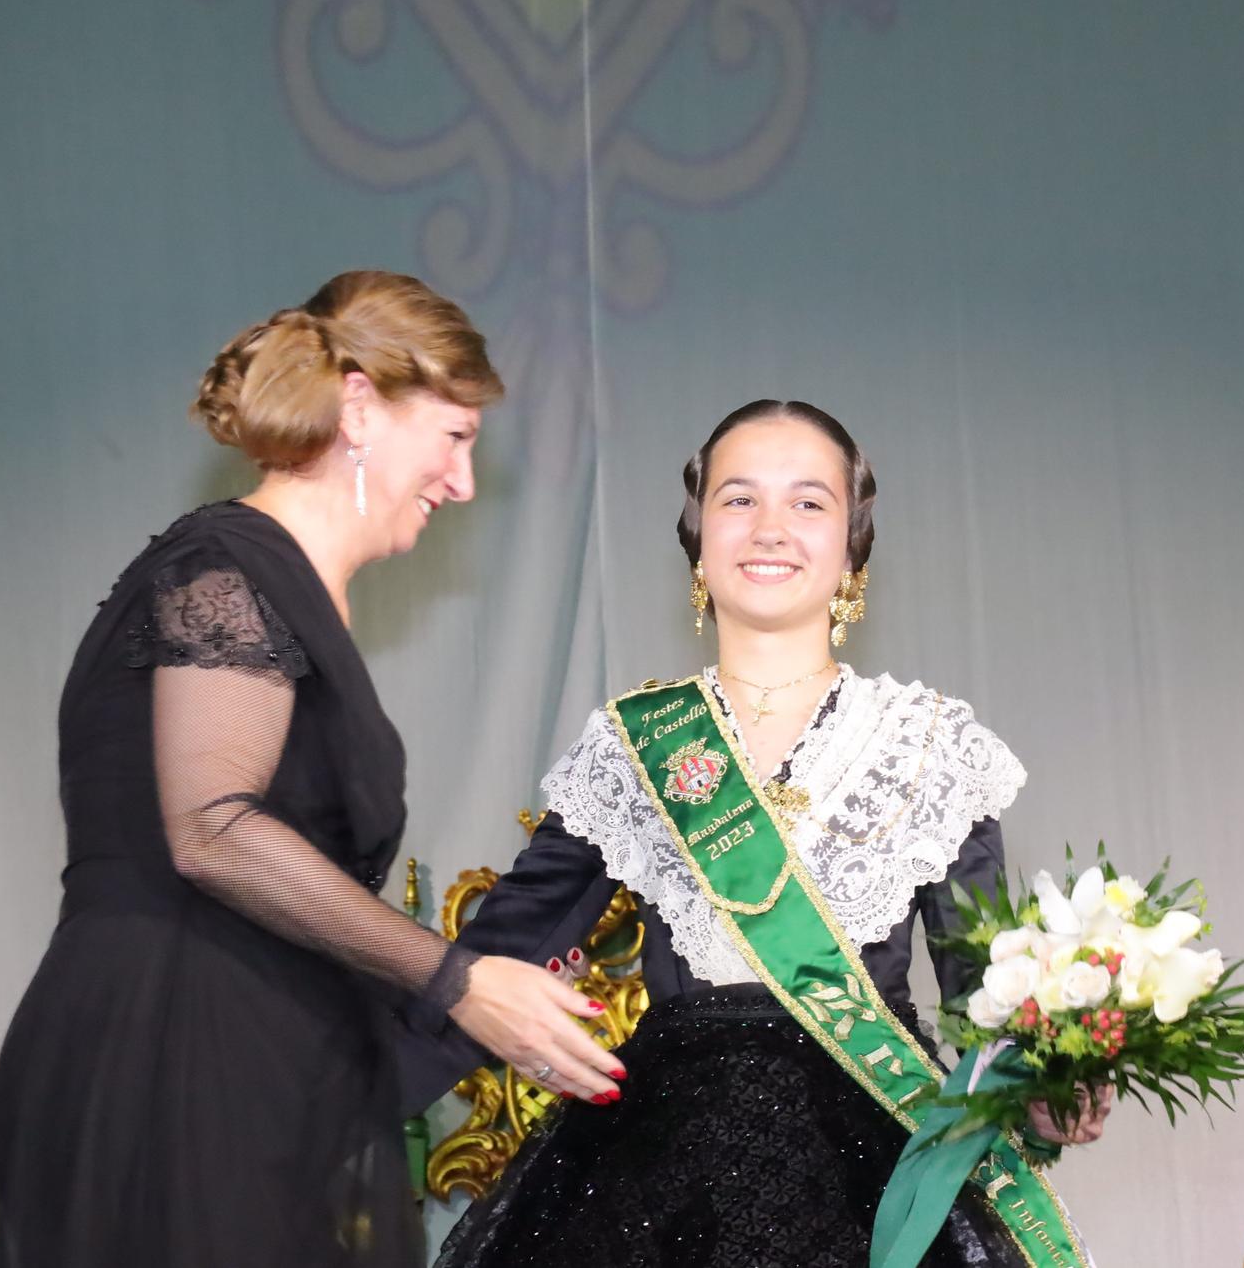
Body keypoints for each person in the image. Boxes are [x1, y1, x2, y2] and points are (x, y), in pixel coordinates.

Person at [0, 270, 621, 1267]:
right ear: (359, 406)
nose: (460, 482)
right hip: (171, 1054)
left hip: (230, 1056)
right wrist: (456, 980)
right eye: (453, 438)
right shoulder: (226, 571)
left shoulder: (276, 588)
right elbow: (212, 830)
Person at [401, 400, 1105, 1268]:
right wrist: (328, 1105)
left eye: (809, 502)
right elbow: (490, 957)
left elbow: (983, 995)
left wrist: (1043, 1085)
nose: (770, 527)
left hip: (871, 1169)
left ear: (854, 544)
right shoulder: (633, 744)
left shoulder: (932, 745)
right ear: (699, 539)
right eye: (738, 500)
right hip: (654, 1175)